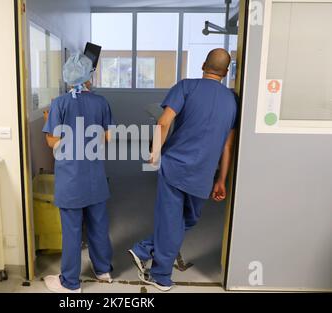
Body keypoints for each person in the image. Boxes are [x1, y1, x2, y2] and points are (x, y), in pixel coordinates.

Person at [128, 48, 238, 291]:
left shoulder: (187, 87)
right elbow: (228, 145)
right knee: (185, 220)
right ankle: (161, 276)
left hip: (174, 166)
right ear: (226, 72)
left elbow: (163, 121)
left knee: (175, 221)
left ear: (203, 65)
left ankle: (143, 249)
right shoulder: (232, 100)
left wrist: (154, 155)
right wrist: (222, 180)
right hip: (204, 174)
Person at [42, 53, 114, 293]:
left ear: (68, 78)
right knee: (98, 225)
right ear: (88, 76)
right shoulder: (101, 102)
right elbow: (107, 137)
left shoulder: (59, 104)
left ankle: (71, 283)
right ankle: (103, 271)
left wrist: (52, 124)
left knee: (72, 231)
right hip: (94, 177)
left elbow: (53, 142)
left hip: (71, 179)